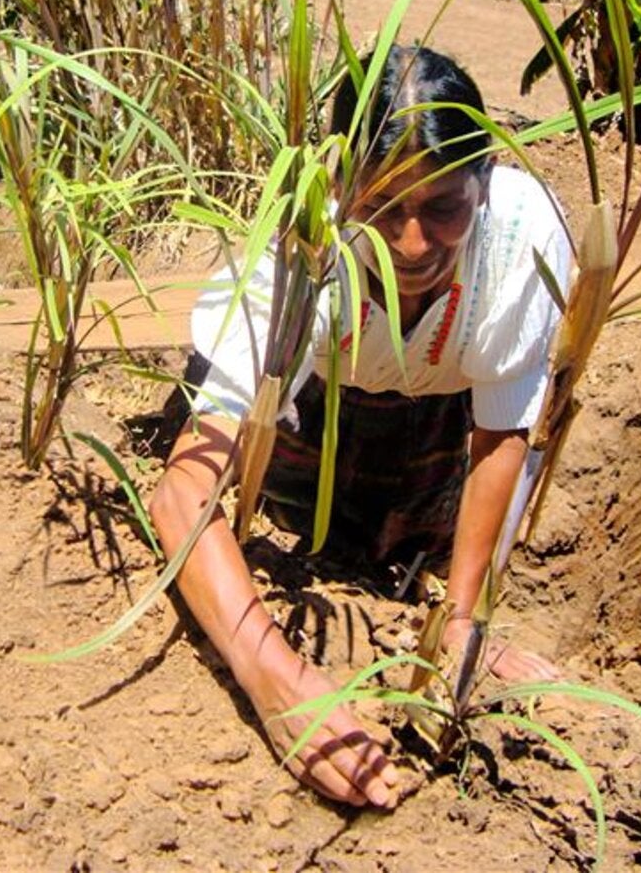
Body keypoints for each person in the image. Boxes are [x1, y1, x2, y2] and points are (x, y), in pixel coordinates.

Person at [148, 45, 571, 810]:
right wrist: (274, 677)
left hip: (433, 427)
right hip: (305, 420)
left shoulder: (523, 240)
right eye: (383, 209)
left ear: (485, 182)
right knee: (289, 526)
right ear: (341, 188)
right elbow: (182, 496)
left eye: (445, 208)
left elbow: (501, 435)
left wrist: (461, 620)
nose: (412, 247)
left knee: (409, 553)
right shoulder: (294, 259)